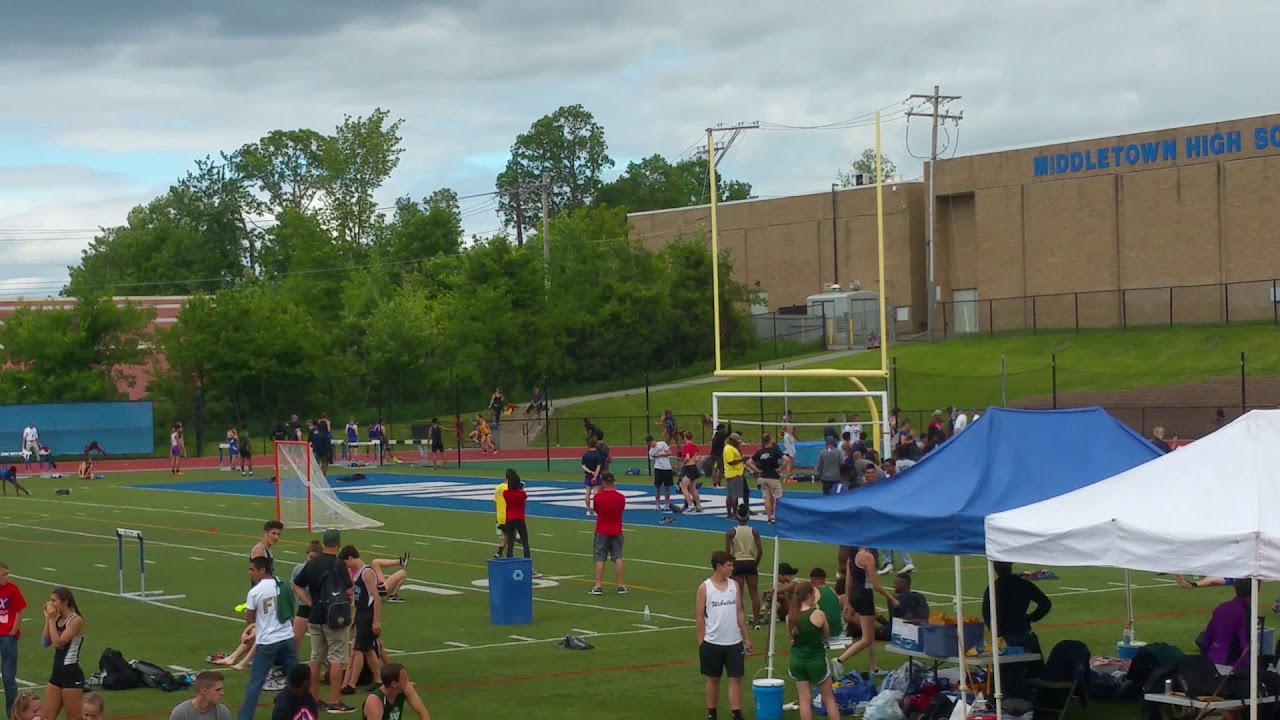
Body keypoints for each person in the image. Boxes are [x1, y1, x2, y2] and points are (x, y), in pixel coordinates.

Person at [292, 529, 355, 714]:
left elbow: (297, 585)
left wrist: (310, 602)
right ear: (338, 544)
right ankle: (335, 701)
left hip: (315, 615)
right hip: (334, 616)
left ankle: (313, 698)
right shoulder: (338, 564)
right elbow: (349, 589)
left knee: (315, 657)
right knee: (336, 658)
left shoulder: (313, 563)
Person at [239, 557, 298, 720]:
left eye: (252, 569)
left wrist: (254, 626)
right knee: (295, 679)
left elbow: (249, 617)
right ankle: (297, 712)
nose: (250, 573)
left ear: (262, 570)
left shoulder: (255, 591)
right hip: (287, 637)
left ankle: (245, 717)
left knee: (256, 683)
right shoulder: (282, 583)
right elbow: (290, 608)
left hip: (267, 642)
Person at [697, 550, 752, 720]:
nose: (732, 568)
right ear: (719, 566)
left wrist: (746, 637)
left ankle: (736, 714)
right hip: (712, 642)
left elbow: (739, 612)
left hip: (734, 641)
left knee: (735, 678)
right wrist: (701, 641)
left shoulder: (734, 585)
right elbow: (699, 616)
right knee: (713, 679)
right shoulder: (705, 587)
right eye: (729, 565)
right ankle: (712, 713)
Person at [833, 548, 898, 675]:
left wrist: (848, 602)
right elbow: (875, 584)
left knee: (870, 635)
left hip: (855, 596)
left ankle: (873, 668)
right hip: (865, 596)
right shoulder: (867, 557)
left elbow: (848, 583)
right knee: (867, 638)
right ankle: (840, 660)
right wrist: (891, 598)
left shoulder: (852, 557)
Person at [787, 581, 840, 720]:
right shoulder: (818, 614)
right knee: (829, 699)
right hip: (816, 660)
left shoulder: (790, 616)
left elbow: (791, 638)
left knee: (804, 700)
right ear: (810, 595)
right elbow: (826, 635)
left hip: (797, 660)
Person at [338, 547, 382, 697]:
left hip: (367, 615)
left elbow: (376, 597)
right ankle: (379, 681)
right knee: (368, 650)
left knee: (358, 651)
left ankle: (351, 684)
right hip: (362, 614)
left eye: (346, 563)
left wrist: (375, 620)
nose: (347, 566)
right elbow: (359, 599)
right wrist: (354, 618)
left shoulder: (366, 572)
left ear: (351, 558)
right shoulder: (359, 573)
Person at [980, 561, 1052, 651]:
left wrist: (993, 628)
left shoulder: (993, 587)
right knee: (1034, 655)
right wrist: (1031, 618)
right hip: (1022, 630)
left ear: (995, 569)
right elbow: (1045, 604)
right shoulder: (1023, 584)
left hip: (1002, 632)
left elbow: (985, 611)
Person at [42, 588, 84, 720]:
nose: (51, 603)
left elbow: (58, 643)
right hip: (57, 671)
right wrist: (48, 619)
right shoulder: (56, 618)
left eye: (54, 600)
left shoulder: (76, 620)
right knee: (46, 717)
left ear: (65, 602)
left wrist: (51, 620)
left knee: (74, 717)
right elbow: (45, 642)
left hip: (70, 673)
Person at [1199, 579, 1253, 671]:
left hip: (1212, 659)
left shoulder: (1222, 607)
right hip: (1231, 664)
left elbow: (1208, 635)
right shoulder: (1245, 612)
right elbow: (1245, 642)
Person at [725, 504, 763, 629]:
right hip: (750, 562)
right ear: (748, 516)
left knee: (739, 594)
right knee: (754, 593)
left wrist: (730, 566)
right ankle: (756, 622)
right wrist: (755, 564)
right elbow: (760, 551)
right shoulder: (754, 531)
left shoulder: (731, 532)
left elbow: (727, 553)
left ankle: (740, 622)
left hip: (738, 563)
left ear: (737, 516)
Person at [588, 473, 626, 595]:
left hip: (602, 530)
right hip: (616, 529)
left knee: (600, 558)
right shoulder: (620, 497)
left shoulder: (598, 497)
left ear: (603, 483)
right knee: (618, 557)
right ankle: (620, 585)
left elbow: (597, 511)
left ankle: (598, 585)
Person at [0, 563, 26, 718]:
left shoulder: (12, 589)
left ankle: (13, 715)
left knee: (9, 678)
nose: (7, 577)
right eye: (3, 574)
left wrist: (12, 632)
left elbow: (18, 612)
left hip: (7, 637)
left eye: (7, 574)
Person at [362, 664, 430, 720]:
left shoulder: (406, 688)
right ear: (394, 684)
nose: (408, 679)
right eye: (404, 678)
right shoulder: (375, 702)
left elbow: (424, 714)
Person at [746, 433, 784, 523]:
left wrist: (757, 471)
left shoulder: (760, 452)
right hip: (773, 477)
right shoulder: (775, 451)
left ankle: (769, 518)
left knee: (767, 498)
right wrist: (781, 469)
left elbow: (748, 462)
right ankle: (775, 516)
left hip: (763, 477)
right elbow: (786, 459)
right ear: (770, 440)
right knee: (777, 498)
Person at [501, 471, 531, 560]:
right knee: (525, 541)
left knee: (510, 540)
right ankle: (527, 558)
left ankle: (509, 558)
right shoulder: (522, 494)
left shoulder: (506, 493)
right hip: (520, 518)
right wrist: (521, 489)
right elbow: (523, 505)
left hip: (509, 518)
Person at [678, 431, 704, 513]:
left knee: (684, 487)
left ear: (685, 437)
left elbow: (687, 457)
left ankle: (690, 505)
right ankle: (698, 505)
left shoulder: (686, 446)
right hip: (693, 467)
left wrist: (683, 463)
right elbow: (695, 457)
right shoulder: (694, 446)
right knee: (693, 488)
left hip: (688, 467)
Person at [721, 433, 747, 519]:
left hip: (732, 473)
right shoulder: (729, 449)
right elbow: (731, 462)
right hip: (734, 473)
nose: (738, 443)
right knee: (734, 495)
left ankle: (730, 513)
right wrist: (741, 459)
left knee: (730, 495)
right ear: (732, 440)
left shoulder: (731, 448)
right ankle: (734, 513)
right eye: (736, 442)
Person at [647, 435, 674, 511]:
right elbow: (652, 459)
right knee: (657, 487)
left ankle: (666, 504)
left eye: (651, 443)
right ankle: (657, 504)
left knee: (667, 487)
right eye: (649, 444)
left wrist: (661, 455)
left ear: (653, 440)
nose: (651, 445)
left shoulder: (662, 444)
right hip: (658, 468)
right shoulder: (651, 451)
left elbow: (669, 452)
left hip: (667, 468)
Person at [580, 437, 604, 516]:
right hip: (596, 476)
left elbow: (583, 466)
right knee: (596, 494)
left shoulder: (585, 455)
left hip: (588, 475)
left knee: (588, 493)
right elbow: (598, 466)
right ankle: (596, 510)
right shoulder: (598, 455)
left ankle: (588, 510)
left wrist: (590, 472)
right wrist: (595, 475)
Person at [493, 473, 509, 559]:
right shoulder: (509, 488)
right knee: (510, 536)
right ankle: (508, 555)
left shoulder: (498, 487)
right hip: (508, 515)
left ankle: (499, 553)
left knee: (504, 536)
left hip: (499, 516)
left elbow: (495, 502)